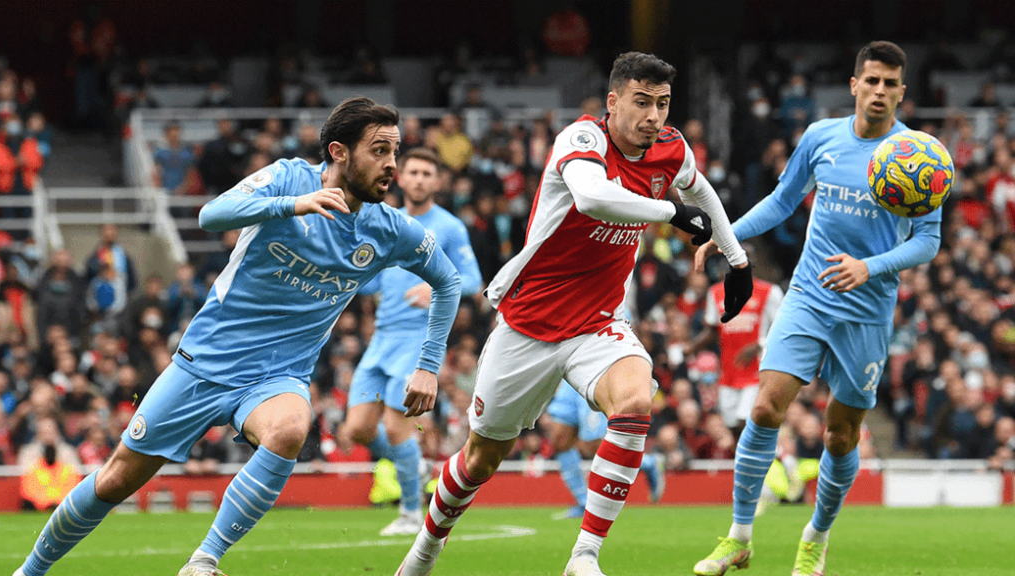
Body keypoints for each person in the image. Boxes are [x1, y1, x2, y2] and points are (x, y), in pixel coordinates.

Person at [13, 97, 462, 576]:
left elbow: (449, 281)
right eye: (380, 151)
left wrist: (429, 365)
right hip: (204, 364)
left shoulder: (389, 229)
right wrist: (291, 206)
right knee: (116, 478)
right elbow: (212, 213)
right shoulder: (289, 178)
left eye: (396, 152)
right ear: (339, 152)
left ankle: (203, 561)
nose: (392, 165)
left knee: (291, 427)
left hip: (277, 377)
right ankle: (31, 571)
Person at [396, 51, 752, 576]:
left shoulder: (670, 149)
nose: (654, 116)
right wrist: (671, 212)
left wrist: (737, 258)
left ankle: (583, 557)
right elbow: (593, 198)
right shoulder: (582, 139)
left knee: (635, 401)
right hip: (529, 325)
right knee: (479, 461)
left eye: (663, 104)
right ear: (613, 103)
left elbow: (700, 190)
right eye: (642, 102)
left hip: (598, 324)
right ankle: (423, 553)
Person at [692, 41, 941, 576]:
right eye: (870, 81)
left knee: (840, 434)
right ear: (854, 85)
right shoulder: (821, 137)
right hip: (809, 294)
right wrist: (726, 234)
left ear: (902, 91)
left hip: (868, 311)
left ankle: (815, 536)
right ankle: (738, 537)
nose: (879, 92)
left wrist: (869, 267)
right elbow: (783, 201)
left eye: (890, 84)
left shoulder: (921, 157)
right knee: (764, 408)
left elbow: (928, 242)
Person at [340, 146, 482, 537]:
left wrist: (432, 287)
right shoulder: (387, 221)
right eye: (413, 172)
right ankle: (414, 464)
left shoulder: (450, 227)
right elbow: (368, 274)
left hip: (417, 341)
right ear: (400, 178)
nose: (419, 179)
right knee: (357, 430)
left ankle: (408, 512)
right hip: (381, 338)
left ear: (437, 181)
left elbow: (472, 281)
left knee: (397, 423)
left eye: (426, 174)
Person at [690, 249, 784, 436]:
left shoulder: (769, 292)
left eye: (747, 258)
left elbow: (783, 329)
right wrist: (690, 347)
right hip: (728, 372)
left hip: (757, 369)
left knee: (745, 419)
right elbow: (711, 330)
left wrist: (759, 344)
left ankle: (750, 461)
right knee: (730, 424)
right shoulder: (715, 292)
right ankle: (740, 461)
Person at [545, 379, 666, 521]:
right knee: (559, 441)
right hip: (567, 376)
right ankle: (584, 504)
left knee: (594, 445)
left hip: (591, 373)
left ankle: (647, 463)